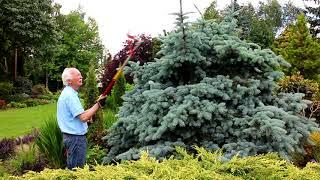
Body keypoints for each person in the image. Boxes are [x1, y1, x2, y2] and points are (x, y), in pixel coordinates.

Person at [57, 67, 106, 169]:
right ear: (69, 81)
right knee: (77, 171)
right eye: (78, 75)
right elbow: (84, 117)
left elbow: (81, 114)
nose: (81, 76)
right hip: (75, 139)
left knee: (74, 168)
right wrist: (98, 105)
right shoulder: (70, 95)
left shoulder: (69, 93)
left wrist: (96, 104)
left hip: (72, 138)